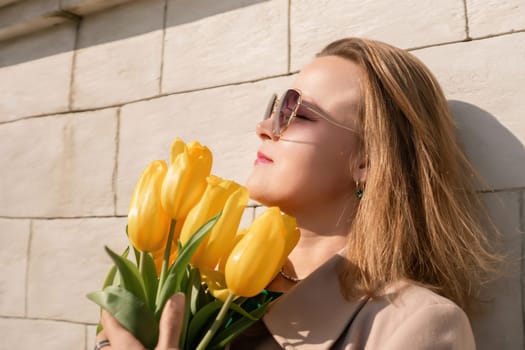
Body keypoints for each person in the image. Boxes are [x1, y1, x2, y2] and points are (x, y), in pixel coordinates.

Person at [95, 37, 498, 350]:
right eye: (275, 107)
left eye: (297, 112)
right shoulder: (194, 279)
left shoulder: (414, 324)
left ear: (369, 160)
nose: (265, 126)